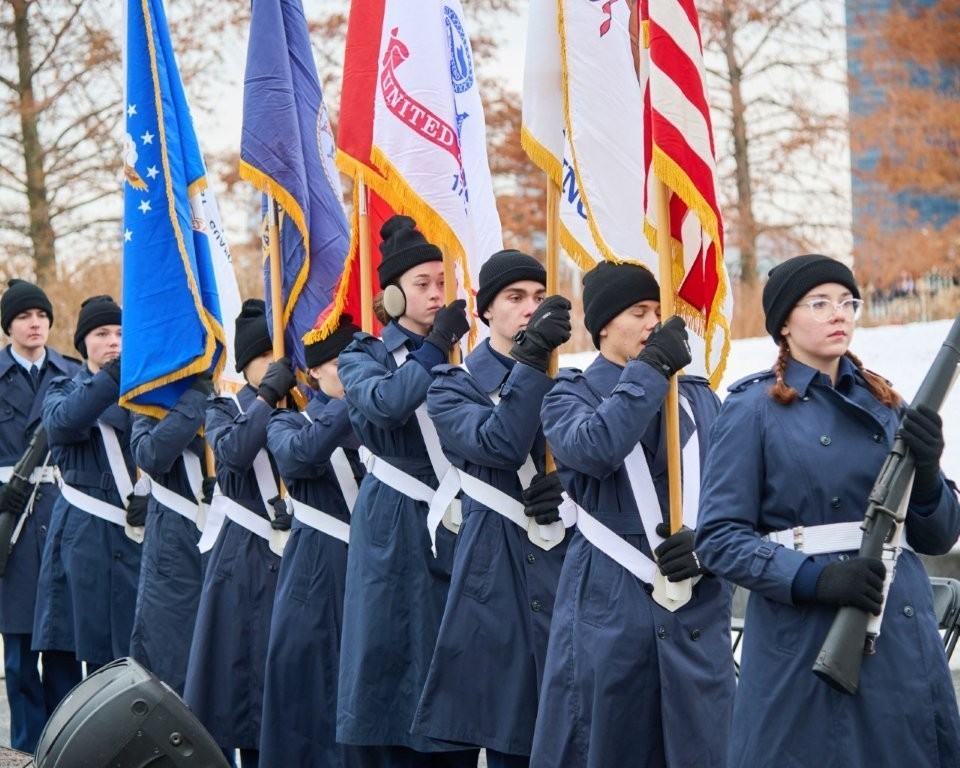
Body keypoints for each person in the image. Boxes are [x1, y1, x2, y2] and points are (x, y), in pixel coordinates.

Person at [695, 254, 960, 766]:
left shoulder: (887, 403)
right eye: (819, 303)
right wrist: (814, 580)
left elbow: (938, 535)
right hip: (806, 639)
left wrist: (927, 474)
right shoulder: (753, 410)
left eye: (846, 302)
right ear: (784, 325)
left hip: (899, 634)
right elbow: (719, 539)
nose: (838, 314)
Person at [531, 261, 735, 768]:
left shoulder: (699, 398)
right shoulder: (569, 394)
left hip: (696, 608)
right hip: (610, 605)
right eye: (639, 312)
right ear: (603, 327)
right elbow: (595, 447)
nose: (654, 323)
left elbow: (733, 492)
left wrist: (708, 546)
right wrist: (649, 373)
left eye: (659, 312)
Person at [412, 250, 572, 767]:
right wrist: (532, 360)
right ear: (486, 311)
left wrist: (566, 491)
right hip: (495, 574)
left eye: (540, 297)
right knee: (512, 739)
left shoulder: (572, 384)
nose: (530, 308)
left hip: (566, 571)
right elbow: (499, 444)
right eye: (515, 297)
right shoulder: (451, 384)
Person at [336, 215, 478, 767]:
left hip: (460, 513)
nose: (437, 294)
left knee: (457, 659)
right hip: (395, 519)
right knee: (391, 652)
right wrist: (435, 347)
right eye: (423, 284)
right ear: (393, 295)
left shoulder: (464, 357)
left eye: (442, 283)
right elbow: (385, 404)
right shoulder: (360, 354)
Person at [183, 299, 295, 768]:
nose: (275, 366)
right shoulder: (224, 408)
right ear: (246, 363)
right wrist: (267, 398)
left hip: (304, 557)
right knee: (247, 692)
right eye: (264, 357)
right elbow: (235, 454)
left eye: (280, 356)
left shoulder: (310, 408)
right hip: (247, 559)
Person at [260, 316, 365, 768]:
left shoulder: (380, 420)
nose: (351, 373)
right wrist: (354, 397)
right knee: (312, 699)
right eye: (342, 365)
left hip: (372, 566)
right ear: (315, 371)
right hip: (317, 573)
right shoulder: (287, 422)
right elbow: (301, 456)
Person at [0, 280, 82, 751]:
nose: (35, 324)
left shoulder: (70, 375)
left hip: (62, 517)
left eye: (42, 316)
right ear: (9, 325)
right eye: (25, 317)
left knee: (64, 648)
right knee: (18, 652)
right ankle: (27, 750)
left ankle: (69, 747)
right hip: (11, 526)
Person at [41, 295, 142, 670]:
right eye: (101, 333)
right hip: (87, 534)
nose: (113, 341)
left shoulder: (145, 394)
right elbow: (64, 422)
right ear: (83, 342)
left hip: (137, 530)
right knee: (93, 654)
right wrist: (110, 378)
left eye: (120, 332)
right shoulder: (63, 388)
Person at [129, 370, 214, 695]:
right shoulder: (147, 401)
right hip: (173, 548)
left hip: (227, 541)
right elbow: (151, 455)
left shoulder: (229, 394)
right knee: (170, 673)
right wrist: (196, 396)